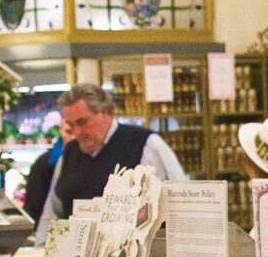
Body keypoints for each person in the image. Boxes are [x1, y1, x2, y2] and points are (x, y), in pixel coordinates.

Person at [35, 84, 187, 225]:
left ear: (104, 113)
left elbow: (180, 200)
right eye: (71, 125)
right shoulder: (69, 154)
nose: (77, 132)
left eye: (82, 122)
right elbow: (52, 212)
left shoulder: (145, 144)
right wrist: (41, 250)